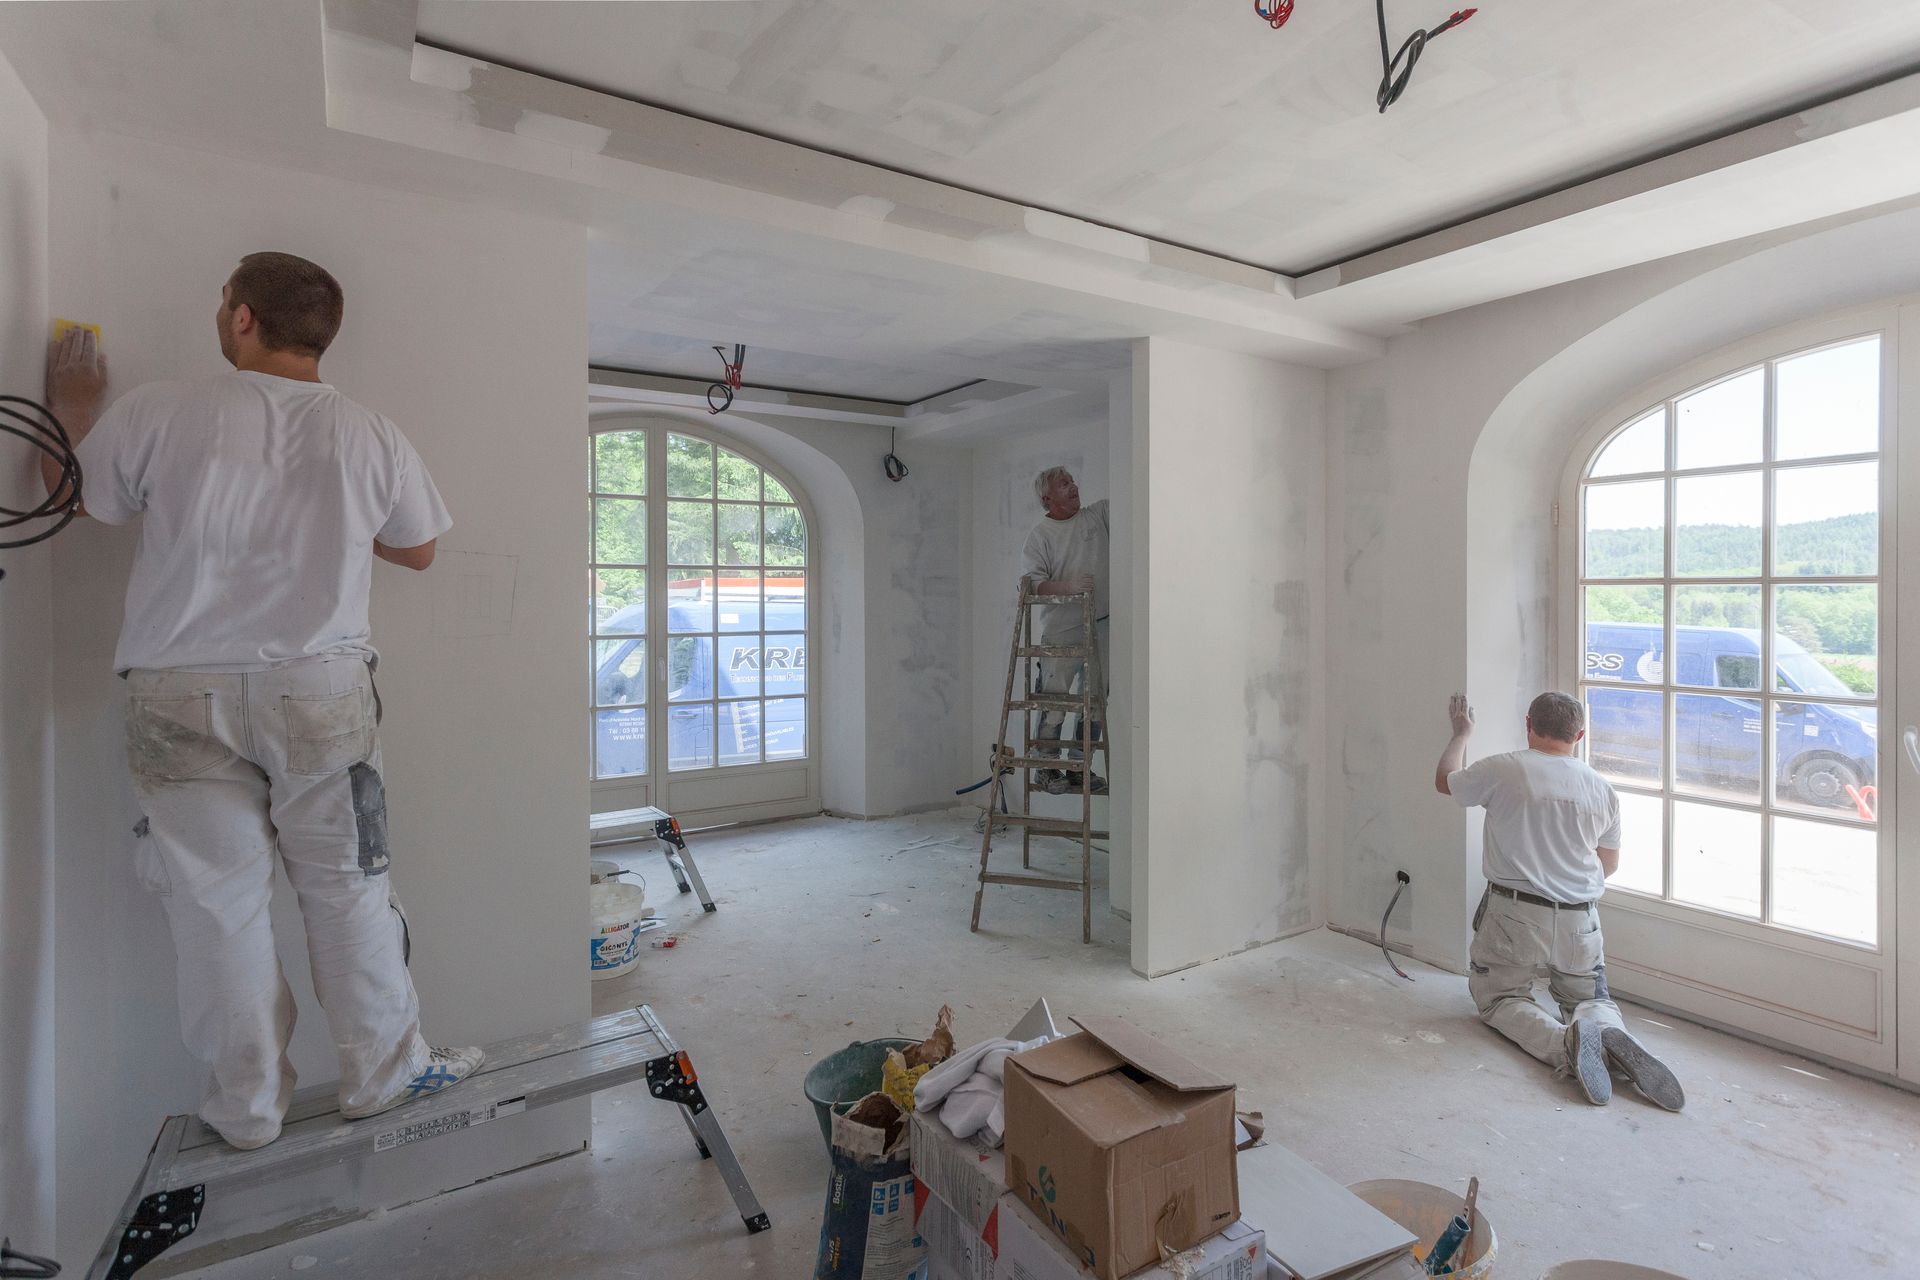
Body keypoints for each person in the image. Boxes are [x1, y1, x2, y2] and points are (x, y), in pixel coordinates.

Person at [41, 252, 483, 1151]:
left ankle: (245, 1110)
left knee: (213, 904)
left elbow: (69, 496)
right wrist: (333, 528)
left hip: (177, 691)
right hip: (319, 691)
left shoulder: (162, 409)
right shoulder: (369, 431)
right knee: (349, 888)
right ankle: (382, 1075)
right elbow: (420, 550)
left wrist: (75, 406)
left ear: (243, 319)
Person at [1435, 691, 1684, 1110]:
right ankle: (1605, 1031)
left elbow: (1445, 780)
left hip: (1515, 913)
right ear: (1580, 734)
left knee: (1501, 998)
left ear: (1529, 724)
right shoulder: (1602, 789)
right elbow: (1608, 864)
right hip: (1580, 920)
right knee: (1590, 999)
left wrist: (1462, 733)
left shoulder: (1504, 769)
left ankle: (1564, 1043)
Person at [1020, 466, 1108, 795]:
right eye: (1064, 484)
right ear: (1047, 498)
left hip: (1102, 624)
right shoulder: (1041, 535)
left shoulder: (1096, 517)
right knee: (1055, 700)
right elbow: (1031, 584)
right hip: (1061, 630)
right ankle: (1046, 766)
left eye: (1072, 481)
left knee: (1096, 699)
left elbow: (1132, 500)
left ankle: (1079, 766)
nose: (1073, 486)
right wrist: (1069, 587)